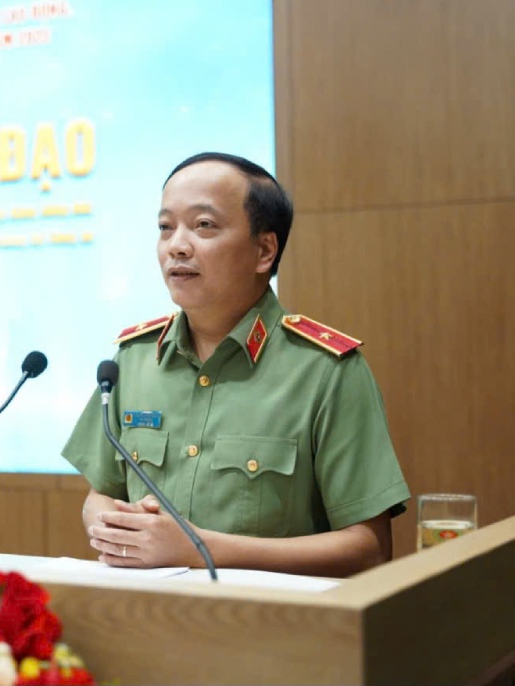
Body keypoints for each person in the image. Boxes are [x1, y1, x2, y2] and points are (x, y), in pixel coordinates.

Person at [61, 152, 410, 578]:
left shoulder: (326, 371)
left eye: (203, 225)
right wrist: (119, 528)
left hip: (271, 629)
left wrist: (200, 548)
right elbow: (99, 494)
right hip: (149, 619)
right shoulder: (131, 361)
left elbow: (369, 548)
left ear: (264, 250)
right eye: (165, 227)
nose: (177, 245)